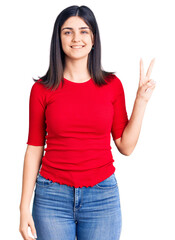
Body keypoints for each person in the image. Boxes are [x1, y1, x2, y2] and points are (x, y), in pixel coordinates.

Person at [19, 5, 156, 240]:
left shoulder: (112, 85)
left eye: (84, 31)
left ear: (93, 38)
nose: (76, 38)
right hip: (51, 197)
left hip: (102, 197)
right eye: (68, 32)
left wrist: (141, 100)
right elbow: (34, 148)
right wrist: (23, 208)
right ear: (58, 38)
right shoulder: (41, 89)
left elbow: (126, 146)